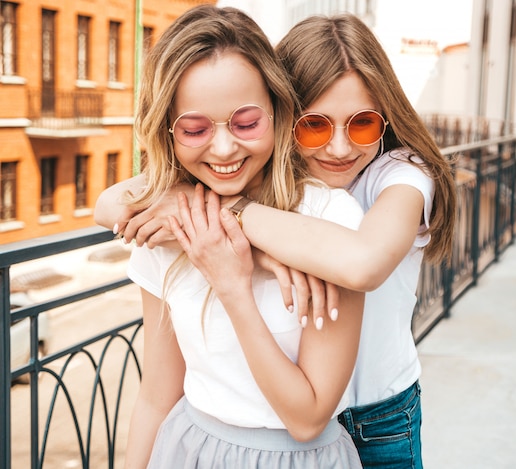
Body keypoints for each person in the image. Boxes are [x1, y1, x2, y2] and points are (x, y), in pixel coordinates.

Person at [95, 13, 457, 469]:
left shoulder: (396, 178)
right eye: (315, 126)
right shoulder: (205, 202)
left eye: (362, 124)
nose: (340, 148)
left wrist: (226, 227)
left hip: (375, 417)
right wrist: (203, 215)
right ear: (290, 119)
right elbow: (109, 205)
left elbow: (360, 263)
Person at [115, 5, 366, 468]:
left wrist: (233, 285)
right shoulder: (171, 220)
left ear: (277, 110)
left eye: (246, 122)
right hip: (187, 450)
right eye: (194, 129)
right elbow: (155, 396)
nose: (226, 148)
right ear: (168, 133)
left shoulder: (329, 219)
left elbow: (308, 417)